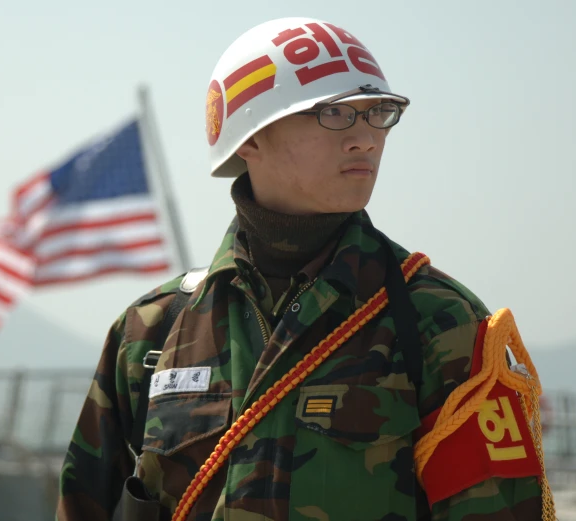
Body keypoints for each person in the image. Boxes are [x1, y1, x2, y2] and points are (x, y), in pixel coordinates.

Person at [57, 16, 551, 521]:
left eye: (378, 112)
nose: (366, 139)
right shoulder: (150, 334)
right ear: (249, 138)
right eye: (334, 114)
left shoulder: (439, 323)